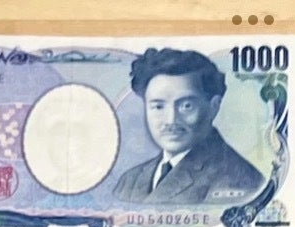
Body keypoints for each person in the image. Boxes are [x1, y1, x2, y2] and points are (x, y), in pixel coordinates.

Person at [110, 47, 262, 204]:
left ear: (214, 106)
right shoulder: (129, 181)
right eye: (158, 106)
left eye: (186, 106)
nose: (171, 120)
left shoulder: (239, 179)